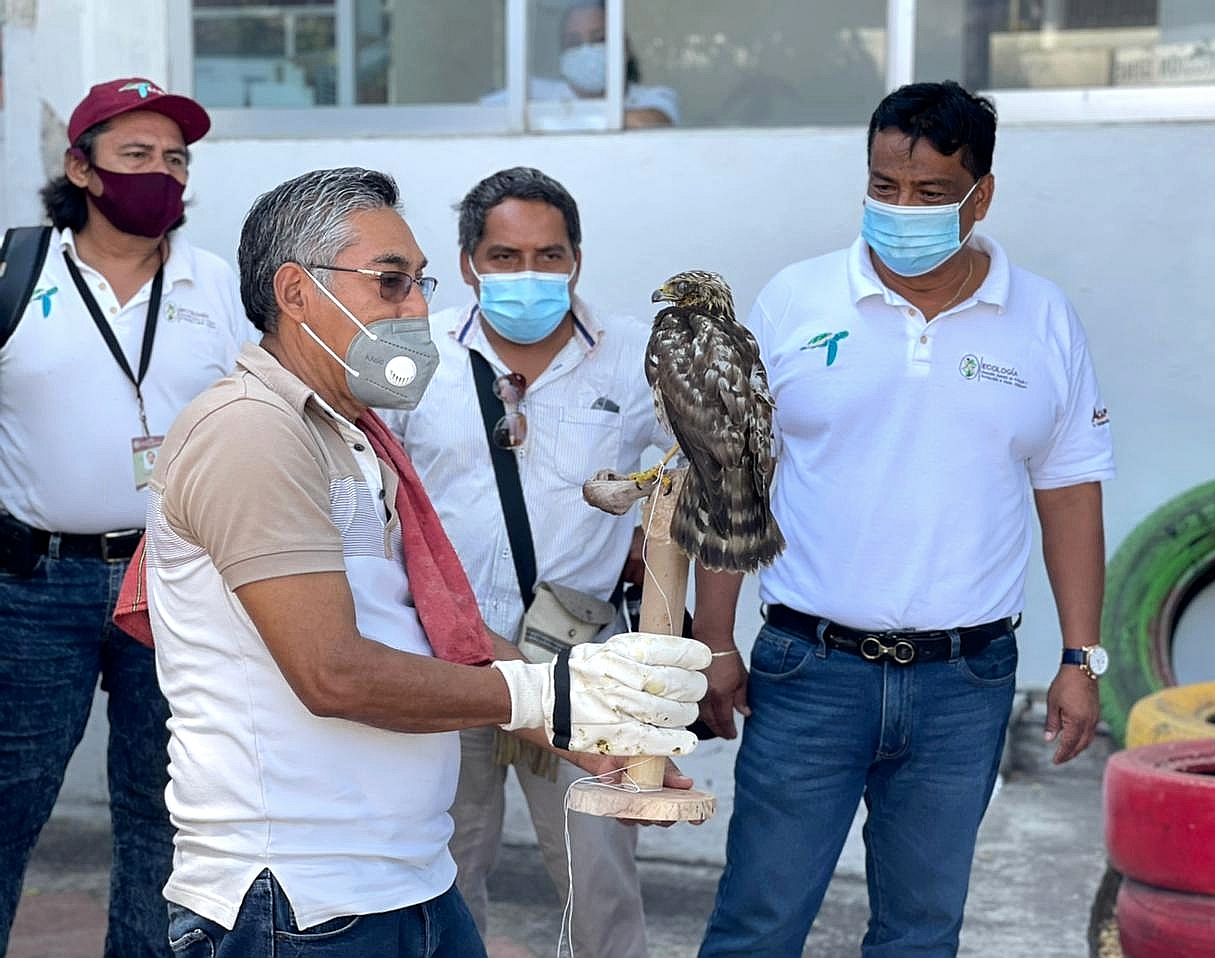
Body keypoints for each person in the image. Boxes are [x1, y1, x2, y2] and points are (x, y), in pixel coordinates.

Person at [144, 166, 710, 956]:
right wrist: (548, 691)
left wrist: (588, 730)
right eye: (391, 282)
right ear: (296, 292)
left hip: (405, 882)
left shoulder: (353, 430)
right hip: (297, 902)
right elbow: (333, 672)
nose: (416, 308)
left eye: (419, 282)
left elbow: (434, 624)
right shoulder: (251, 432)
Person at [696, 80, 1116, 957]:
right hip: (809, 672)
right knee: (758, 923)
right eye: (884, 186)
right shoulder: (796, 300)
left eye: (931, 192)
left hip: (965, 684)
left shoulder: (1042, 317)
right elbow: (735, 478)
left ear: (981, 195)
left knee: (922, 933)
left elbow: (1071, 489)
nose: (903, 209)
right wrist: (715, 642)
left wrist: (1082, 657)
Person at [381, 166, 672, 958]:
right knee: (440, 869)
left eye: (549, 255)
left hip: (583, 668)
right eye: (505, 257)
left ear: (577, 258)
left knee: (600, 877)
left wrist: (662, 566)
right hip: (447, 659)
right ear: (468, 262)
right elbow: (375, 496)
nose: (529, 274)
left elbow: (705, 476)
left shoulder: (634, 358)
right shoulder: (411, 353)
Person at [0, 76, 255, 957]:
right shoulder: (17, 271)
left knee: (165, 811)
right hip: (34, 586)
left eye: (176, 160)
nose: (162, 174)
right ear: (81, 168)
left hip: (178, 578)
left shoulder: (216, 284)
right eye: (136, 155)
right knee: (9, 800)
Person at [482, 0, 679, 128]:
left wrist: (551, 119)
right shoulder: (532, 93)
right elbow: (478, 117)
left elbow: (657, 121)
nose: (586, 50)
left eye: (599, 39)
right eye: (573, 42)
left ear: (625, 48)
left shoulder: (654, 97)